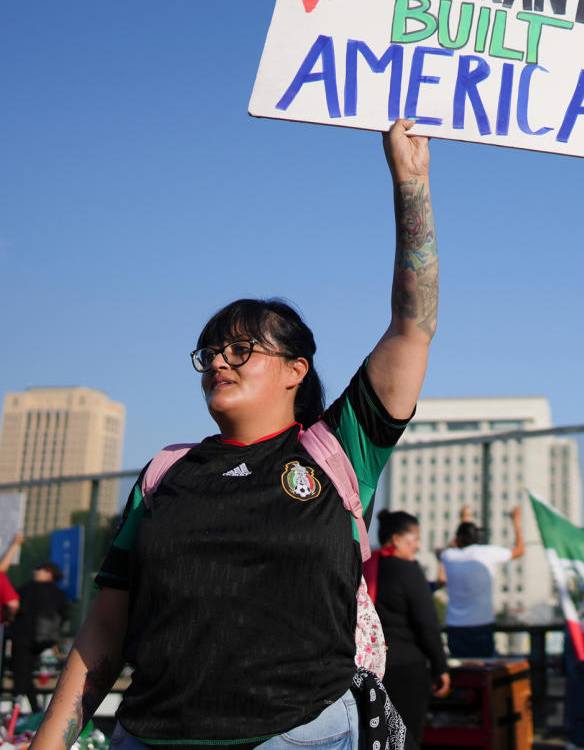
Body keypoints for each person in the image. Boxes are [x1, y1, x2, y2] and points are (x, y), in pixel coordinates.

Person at [33, 119, 437, 750]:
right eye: (210, 352)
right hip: (146, 736)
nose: (220, 361)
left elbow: (413, 324)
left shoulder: (338, 450)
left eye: (242, 348)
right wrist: (50, 741)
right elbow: (107, 628)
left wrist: (409, 182)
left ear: (296, 371)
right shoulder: (165, 474)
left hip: (297, 736)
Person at [368, 511, 449, 750]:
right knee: (406, 738)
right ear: (396, 539)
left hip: (372, 669)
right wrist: (440, 667)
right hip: (406, 670)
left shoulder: (366, 566)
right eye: (413, 539)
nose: (417, 545)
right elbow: (427, 624)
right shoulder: (408, 570)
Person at [439, 505, 526, 658]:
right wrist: (516, 521)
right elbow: (519, 550)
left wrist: (464, 518)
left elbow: (453, 544)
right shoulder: (487, 552)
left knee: (460, 672)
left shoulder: (449, 556)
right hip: (482, 625)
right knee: (483, 672)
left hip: (455, 626)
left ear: (459, 537)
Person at [10, 562, 70, 715]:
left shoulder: (28, 589)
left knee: (21, 674)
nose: (36, 571)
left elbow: (14, 605)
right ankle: (35, 710)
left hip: (23, 637)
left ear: (48, 573)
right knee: (26, 673)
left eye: (40, 569)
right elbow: (65, 614)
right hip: (43, 640)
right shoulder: (58, 594)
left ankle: (16, 713)